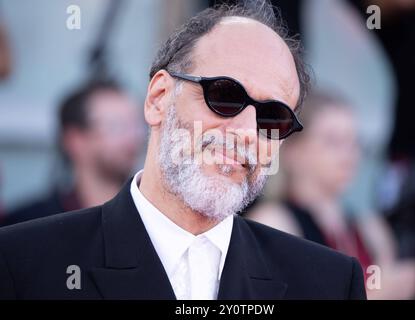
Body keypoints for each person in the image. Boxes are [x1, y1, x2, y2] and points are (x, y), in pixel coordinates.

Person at [0, 1, 366, 300]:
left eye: (273, 117)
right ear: (159, 99)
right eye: (224, 96)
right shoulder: (22, 264)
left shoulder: (330, 283)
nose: (246, 132)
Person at [247, 92, 415, 299]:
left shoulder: (369, 226)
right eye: (333, 141)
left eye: (354, 142)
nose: (349, 154)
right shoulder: (272, 223)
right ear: (292, 150)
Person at [0, 80, 144, 227]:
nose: (132, 138)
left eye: (136, 126)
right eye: (116, 126)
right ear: (75, 140)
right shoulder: (28, 225)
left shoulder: (148, 219)